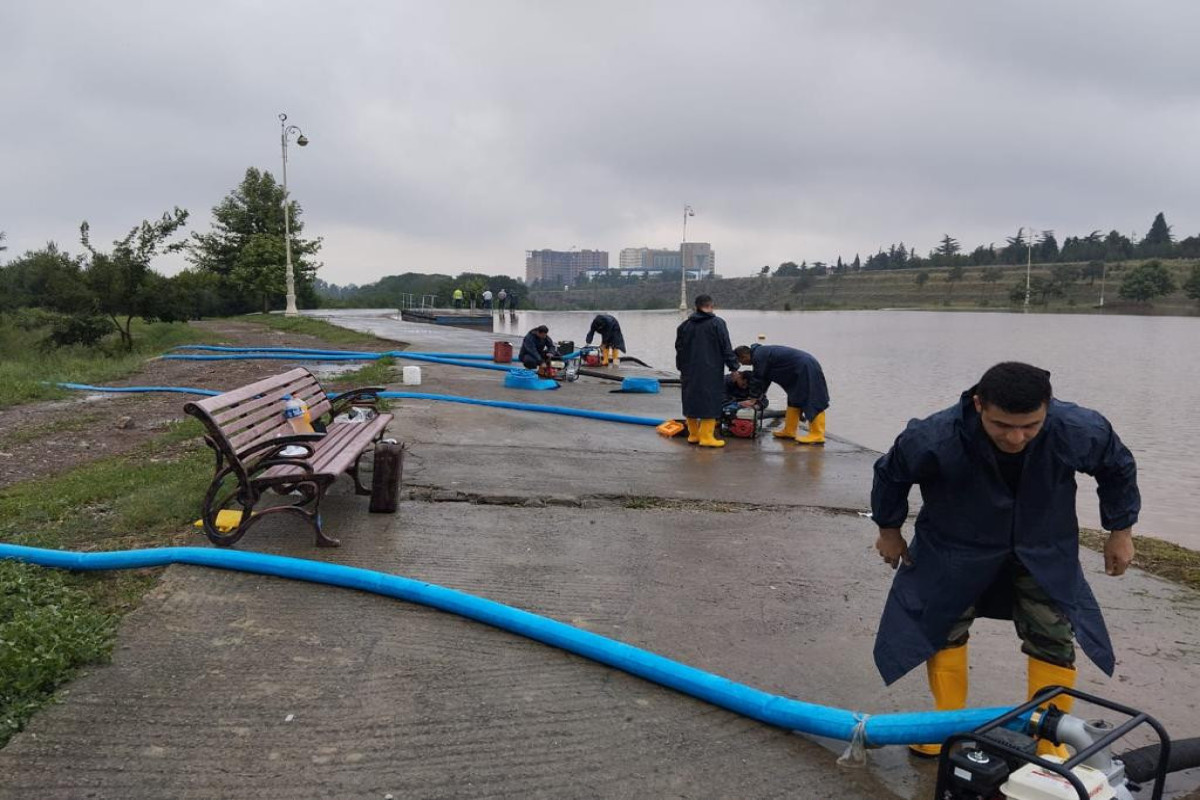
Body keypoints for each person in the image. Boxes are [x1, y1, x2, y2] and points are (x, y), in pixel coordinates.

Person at [870, 362, 1139, 758]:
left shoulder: (1078, 429)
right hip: (956, 545)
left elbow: (1117, 467)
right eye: (1002, 425)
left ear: (1048, 406)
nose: (1016, 438)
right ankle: (948, 725)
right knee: (943, 626)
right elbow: (891, 473)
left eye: (1030, 426)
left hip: (1042, 546)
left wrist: (1121, 531)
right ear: (979, 405)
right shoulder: (934, 435)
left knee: (1053, 635)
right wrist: (889, 531)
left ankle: (1050, 740)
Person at [674, 295, 739, 447]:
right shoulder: (717, 323)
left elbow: (679, 349)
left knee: (690, 400)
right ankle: (706, 437)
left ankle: (693, 435)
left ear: (696, 306)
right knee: (710, 401)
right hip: (710, 370)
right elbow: (726, 347)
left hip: (688, 370)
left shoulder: (684, 326)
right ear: (711, 306)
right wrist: (734, 367)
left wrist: (681, 367)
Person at [733, 344, 828, 445]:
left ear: (744, 356)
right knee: (794, 399)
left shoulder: (759, 356)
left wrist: (753, 398)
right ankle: (789, 431)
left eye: (740, 361)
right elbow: (765, 379)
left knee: (811, 399)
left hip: (805, 367)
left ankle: (817, 434)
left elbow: (758, 379)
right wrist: (757, 397)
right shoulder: (761, 354)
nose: (742, 364)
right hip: (798, 368)